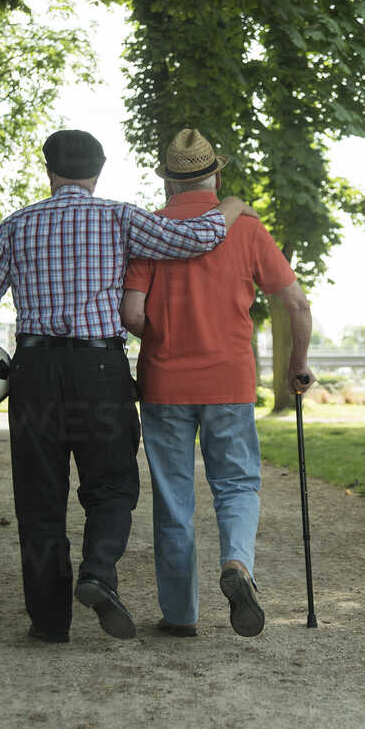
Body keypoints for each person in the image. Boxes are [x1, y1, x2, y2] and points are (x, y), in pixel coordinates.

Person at [0, 129, 257, 644]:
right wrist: (235, 203)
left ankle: (49, 621)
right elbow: (197, 238)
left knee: (39, 499)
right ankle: (98, 572)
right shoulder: (120, 216)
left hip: (34, 373)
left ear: (49, 171)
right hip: (100, 372)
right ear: (98, 173)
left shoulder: (16, 226)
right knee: (112, 487)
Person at [120, 127, 313, 638]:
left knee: (173, 499)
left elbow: (132, 315)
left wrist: (163, 329)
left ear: (168, 183)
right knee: (237, 484)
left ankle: (181, 615)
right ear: (216, 174)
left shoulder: (150, 230)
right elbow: (296, 303)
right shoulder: (246, 229)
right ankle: (238, 565)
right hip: (230, 382)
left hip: (164, 385)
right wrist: (299, 364)